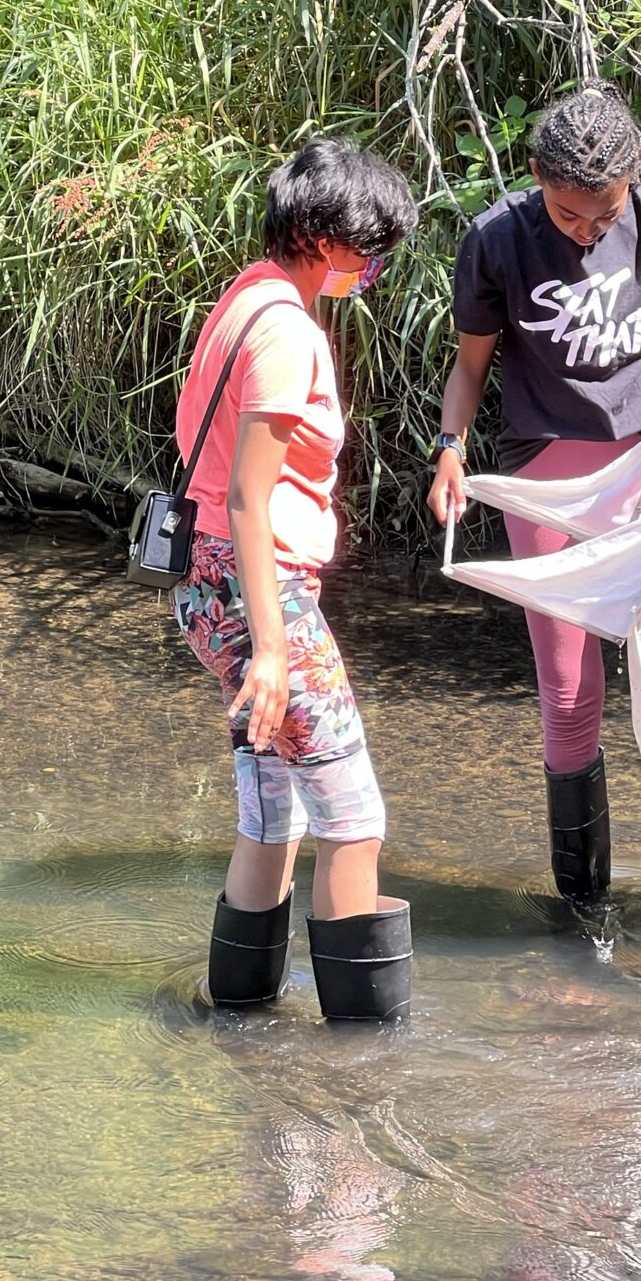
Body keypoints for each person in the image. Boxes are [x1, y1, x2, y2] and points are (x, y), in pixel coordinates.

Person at [426, 81, 641, 915]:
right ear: (536, 178)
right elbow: (470, 366)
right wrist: (449, 450)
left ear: (633, 185)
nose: (587, 230)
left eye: (604, 215)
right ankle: (584, 916)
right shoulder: (497, 239)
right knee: (572, 691)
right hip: (547, 480)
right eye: (569, 214)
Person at [174, 139, 418, 1020]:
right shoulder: (286, 331)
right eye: (368, 252)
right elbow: (249, 496)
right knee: (353, 815)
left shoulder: (246, 297)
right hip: (259, 591)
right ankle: (364, 1058)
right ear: (322, 237)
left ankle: (238, 1026)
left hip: (212, 587)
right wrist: (273, 652)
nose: (371, 271)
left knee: (273, 807)